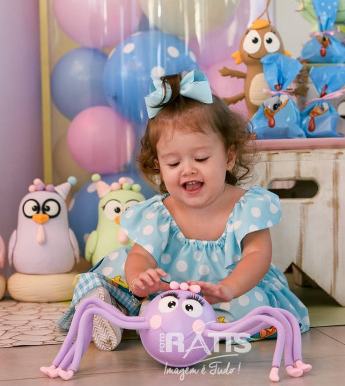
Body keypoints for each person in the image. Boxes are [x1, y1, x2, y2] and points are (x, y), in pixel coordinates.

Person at [57, 69, 309, 351]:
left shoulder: (247, 207)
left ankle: (162, 320)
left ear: (228, 157)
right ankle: (109, 308)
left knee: (251, 307)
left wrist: (229, 288)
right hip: (166, 290)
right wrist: (140, 279)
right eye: (173, 164)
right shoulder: (159, 213)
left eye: (201, 158)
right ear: (159, 167)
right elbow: (141, 255)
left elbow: (257, 255)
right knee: (117, 270)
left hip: (227, 292)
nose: (188, 169)